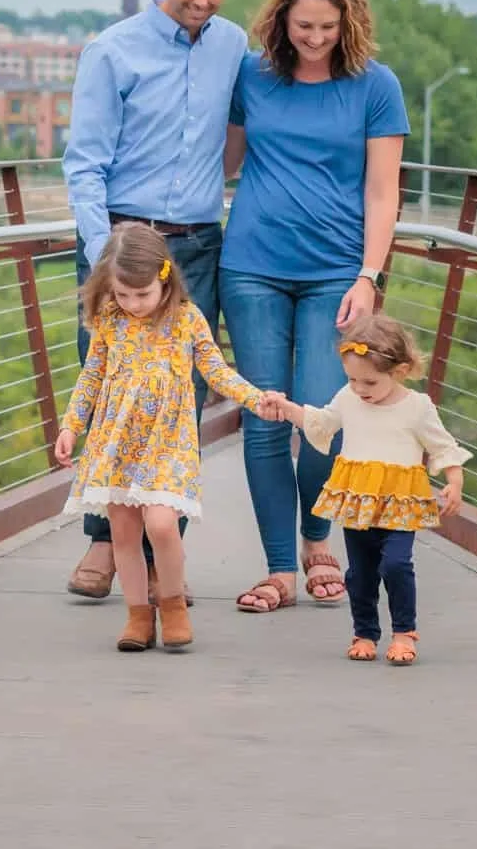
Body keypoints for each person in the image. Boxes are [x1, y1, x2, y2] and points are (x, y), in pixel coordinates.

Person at [59, 0, 249, 601]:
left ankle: (165, 559)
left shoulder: (234, 46)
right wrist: (102, 258)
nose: (202, 0)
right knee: (112, 389)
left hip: (198, 242)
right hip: (123, 244)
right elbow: (83, 166)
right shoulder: (112, 51)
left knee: (181, 399)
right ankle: (103, 545)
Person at [221, 0, 410, 614]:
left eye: (329, 25)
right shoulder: (253, 75)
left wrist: (369, 274)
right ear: (281, 20)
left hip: (337, 271)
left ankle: (313, 534)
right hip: (251, 265)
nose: (316, 37)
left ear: (347, 20)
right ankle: (278, 568)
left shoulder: (375, 86)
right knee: (266, 416)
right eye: (304, 25)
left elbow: (383, 191)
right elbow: (223, 160)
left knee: (324, 417)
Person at [52, 224, 289, 652]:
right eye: (122, 295)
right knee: (123, 533)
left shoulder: (186, 319)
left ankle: (172, 604)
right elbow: (92, 375)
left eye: (141, 295)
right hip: (117, 440)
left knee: (161, 524)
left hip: (168, 442)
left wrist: (255, 400)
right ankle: (138, 616)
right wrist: (71, 425)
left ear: (164, 279)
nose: (133, 304)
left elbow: (216, 371)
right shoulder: (110, 318)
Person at [269, 313, 467, 665]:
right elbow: (322, 423)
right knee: (359, 572)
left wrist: (454, 481)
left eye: (370, 382)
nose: (360, 389)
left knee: (395, 564)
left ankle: (404, 632)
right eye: (353, 379)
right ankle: (364, 633)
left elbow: (442, 446)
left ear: (400, 371)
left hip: (399, 502)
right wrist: (289, 410)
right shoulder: (349, 396)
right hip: (357, 498)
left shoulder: (416, 407)